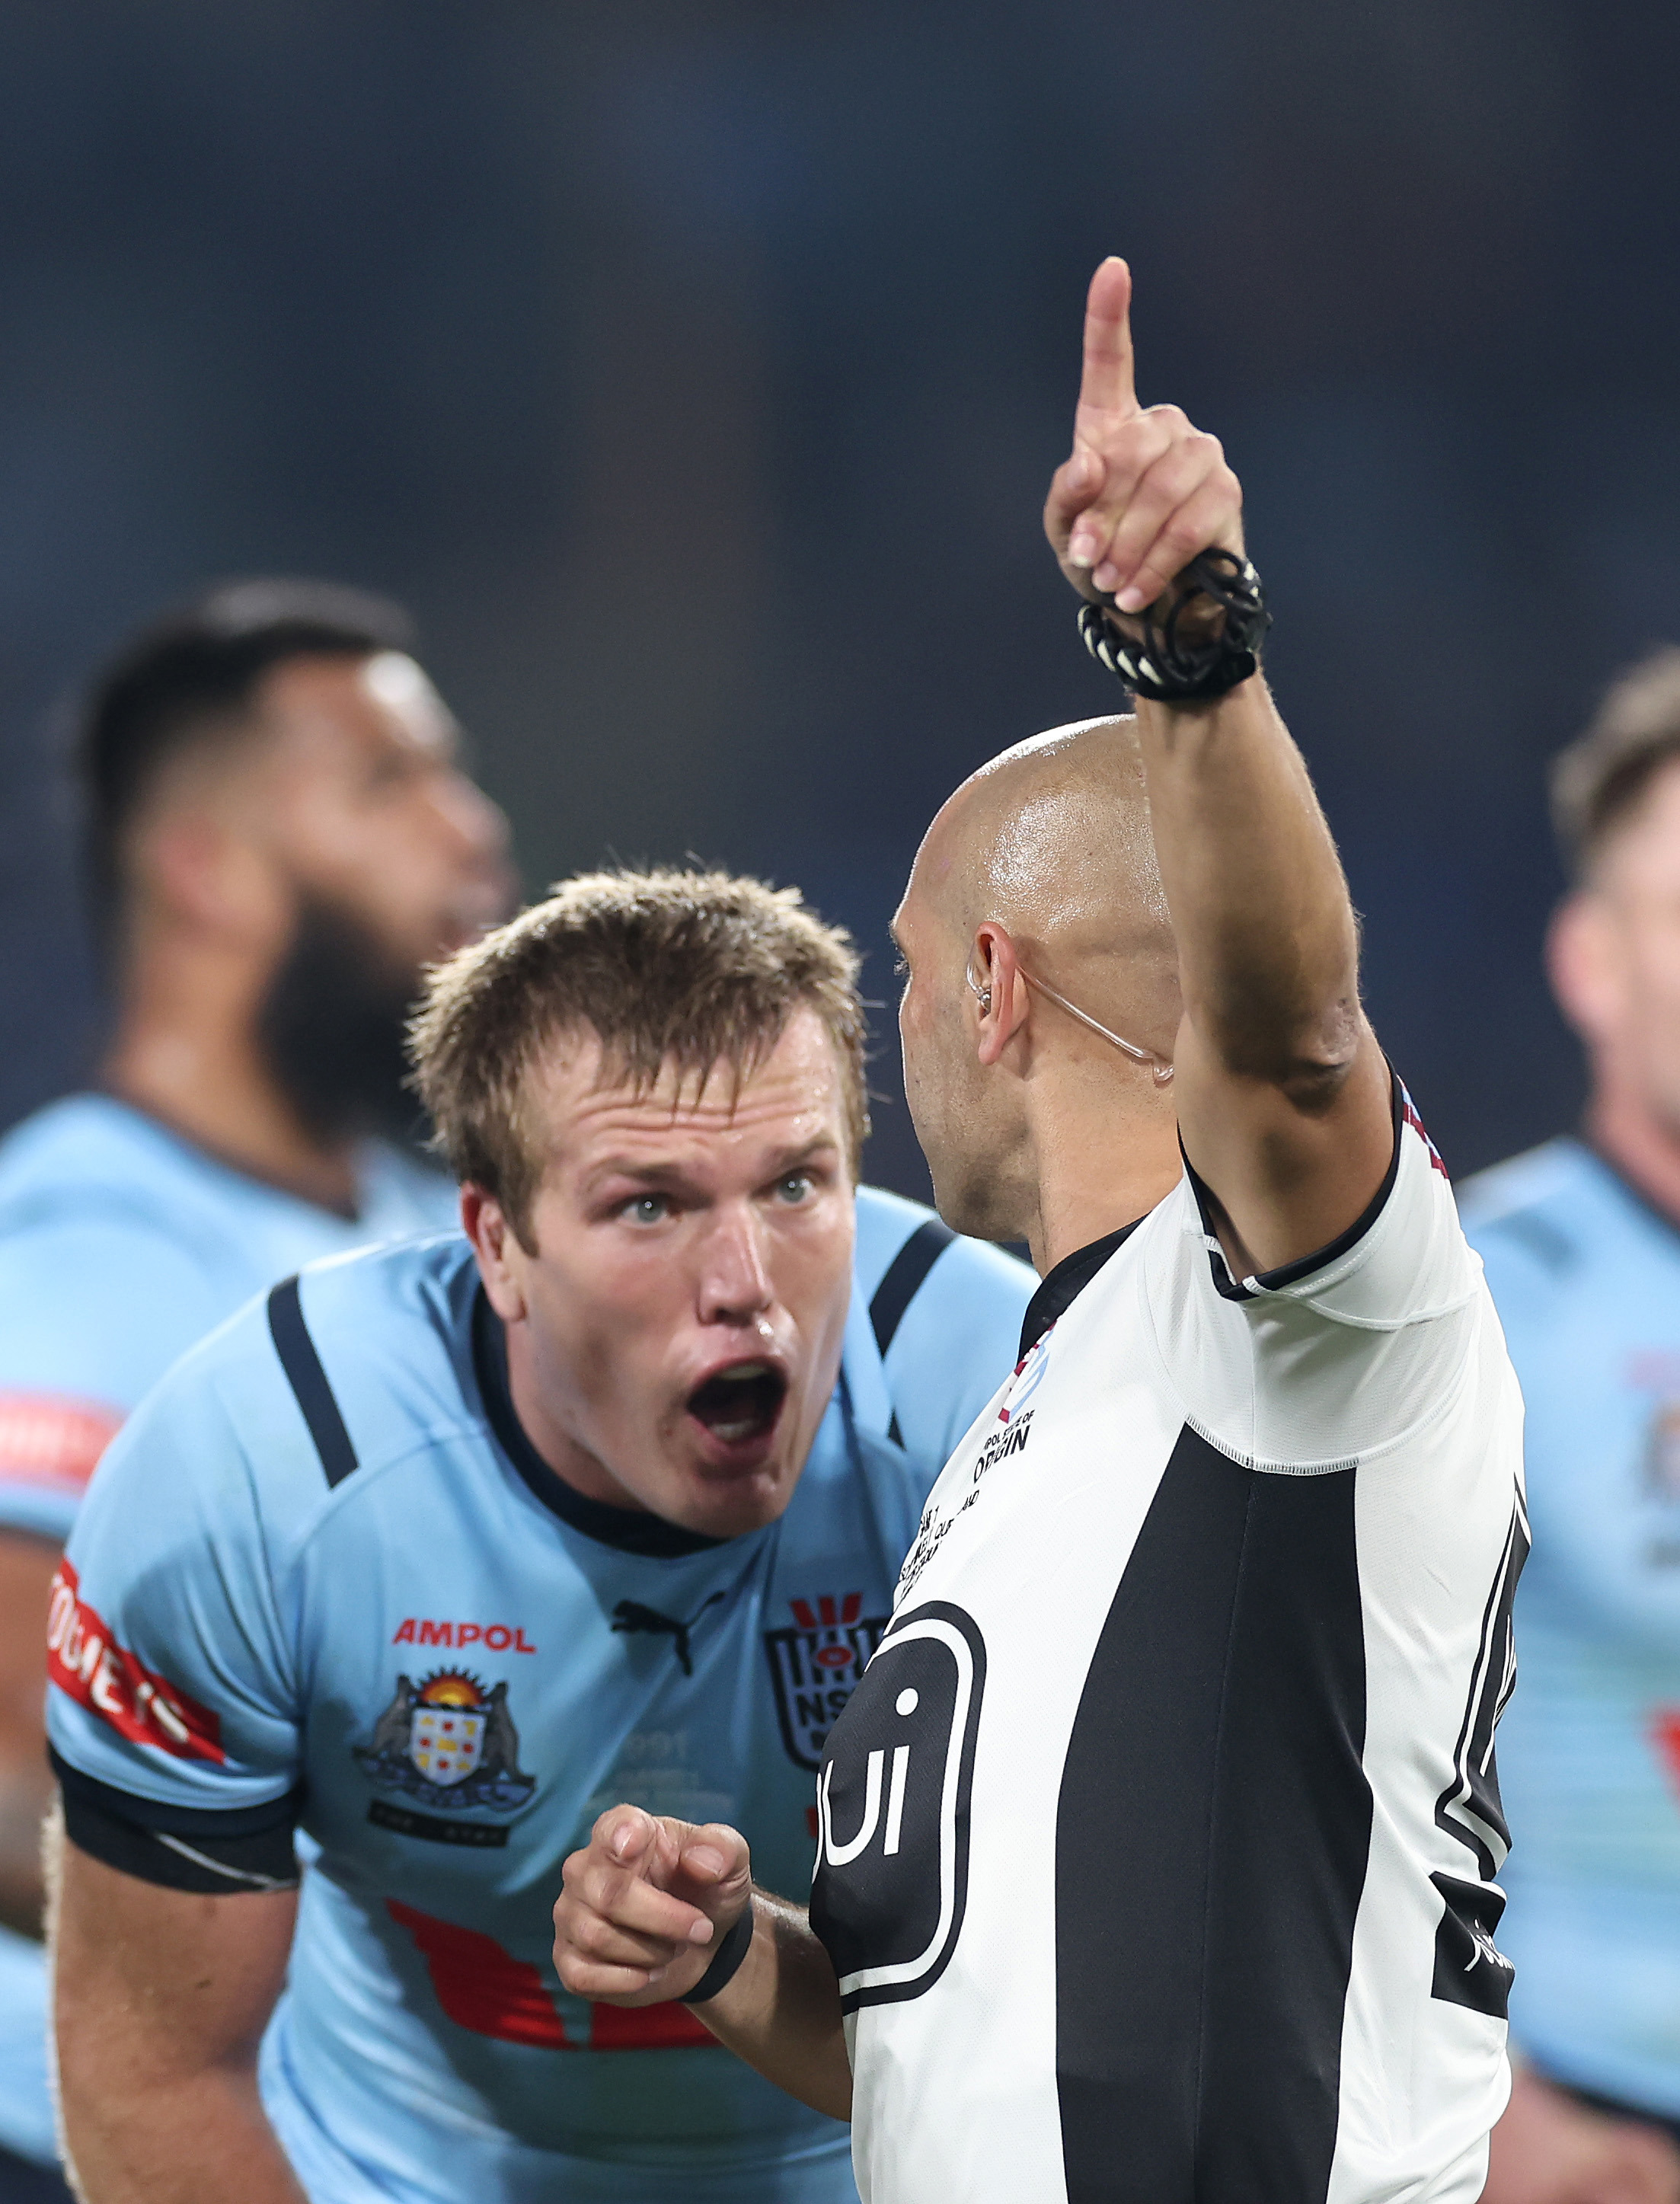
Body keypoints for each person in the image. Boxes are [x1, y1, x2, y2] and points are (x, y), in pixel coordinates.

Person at [554, 259, 1528, 2203]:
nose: (885, 1044)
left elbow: (1282, 1028)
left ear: (992, 985)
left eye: (897, 981)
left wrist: (1193, 659)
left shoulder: (1280, 1320)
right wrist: (737, 1958)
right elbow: (964, 2050)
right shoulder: (1050, 1409)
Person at [45, 866, 1033, 2203]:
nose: (745, 1287)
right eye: (649, 1204)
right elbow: (156, 2072)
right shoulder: (251, 1482)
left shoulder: (1008, 1412)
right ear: (494, 1242)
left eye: (796, 1185)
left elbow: (1094, 2019)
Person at [0, 580, 515, 2202]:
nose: (472, 832)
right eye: (387, 784)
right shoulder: (79, 1253)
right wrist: (384, 1918)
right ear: (203, 869)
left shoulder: (419, 1225)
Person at [1464, 650, 1680, 2204]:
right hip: (1583, 2126)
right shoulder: (1462, 1305)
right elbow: (1276, 1754)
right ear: (1588, 962)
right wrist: (1499, 2128)